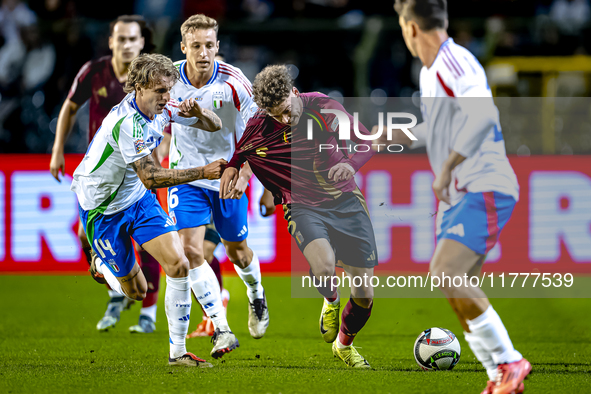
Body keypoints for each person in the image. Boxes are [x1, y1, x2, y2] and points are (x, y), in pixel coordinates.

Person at [392, 1, 531, 393]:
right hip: (462, 189)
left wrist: (449, 167)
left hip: (483, 181)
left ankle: (509, 362)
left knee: (446, 272)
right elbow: (437, 129)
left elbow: (484, 115)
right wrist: (389, 136)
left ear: (411, 29)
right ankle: (497, 376)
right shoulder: (431, 72)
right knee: (457, 285)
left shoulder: (456, 62)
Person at [71, 53, 226, 366]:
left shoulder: (164, 106)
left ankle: (178, 354)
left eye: (169, 90)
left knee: (179, 265)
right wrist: (201, 171)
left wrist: (199, 112)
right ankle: (102, 264)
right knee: (137, 291)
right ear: (138, 88)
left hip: (138, 199)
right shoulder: (127, 123)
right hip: (103, 208)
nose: (167, 97)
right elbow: (152, 177)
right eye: (160, 91)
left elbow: (215, 125)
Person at [220, 65, 377, 368]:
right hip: (301, 203)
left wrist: (352, 165)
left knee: (364, 295)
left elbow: (367, 140)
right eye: (276, 115)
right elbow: (239, 155)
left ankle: (344, 345)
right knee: (324, 263)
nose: (284, 119)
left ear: (295, 93)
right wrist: (233, 171)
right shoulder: (260, 124)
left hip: (346, 201)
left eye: (287, 111)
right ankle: (331, 299)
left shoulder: (324, 107)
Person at [49, 15, 161, 333]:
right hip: (100, 177)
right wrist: (58, 150)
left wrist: (161, 152)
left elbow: (165, 112)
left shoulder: (151, 78)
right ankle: (117, 289)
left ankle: (147, 313)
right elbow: (70, 107)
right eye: (120, 39)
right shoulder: (94, 72)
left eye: (132, 39)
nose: (126, 45)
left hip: (140, 171)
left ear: (142, 43)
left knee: (149, 239)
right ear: (111, 41)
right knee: (88, 236)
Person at [167, 14, 268, 355]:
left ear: (217, 47)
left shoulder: (235, 82)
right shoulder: (169, 80)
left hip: (228, 173)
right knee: (192, 251)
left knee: (237, 252)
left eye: (209, 45)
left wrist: (246, 174)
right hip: (190, 176)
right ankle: (222, 328)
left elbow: (259, 132)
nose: (203, 52)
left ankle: (256, 296)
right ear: (184, 48)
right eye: (196, 46)